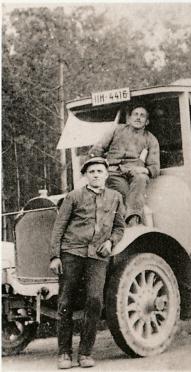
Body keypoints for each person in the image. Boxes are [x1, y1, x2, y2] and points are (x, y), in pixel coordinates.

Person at [49, 157, 125, 369]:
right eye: (91, 171)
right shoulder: (74, 196)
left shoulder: (115, 197)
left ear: (106, 175)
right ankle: (64, 353)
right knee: (65, 302)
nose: (96, 175)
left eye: (100, 171)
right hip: (72, 252)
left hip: (98, 255)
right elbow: (59, 227)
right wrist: (55, 256)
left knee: (94, 300)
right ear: (86, 175)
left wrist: (111, 242)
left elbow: (120, 227)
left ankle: (85, 353)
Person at [88, 105, 160, 226]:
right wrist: (98, 166)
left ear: (147, 121)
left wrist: (143, 170)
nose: (138, 118)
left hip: (134, 173)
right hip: (112, 172)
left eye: (142, 116)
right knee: (126, 194)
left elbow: (155, 168)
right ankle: (129, 222)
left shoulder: (151, 140)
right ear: (129, 118)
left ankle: (133, 219)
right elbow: (97, 149)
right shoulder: (116, 130)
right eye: (135, 114)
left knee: (141, 178)